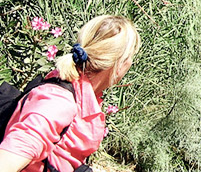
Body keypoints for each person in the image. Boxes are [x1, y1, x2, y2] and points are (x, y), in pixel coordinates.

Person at [0, 15, 141, 172]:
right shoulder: (59, 103)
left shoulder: (79, 90)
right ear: (119, 63)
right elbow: (10, 158)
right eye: (131, 58)